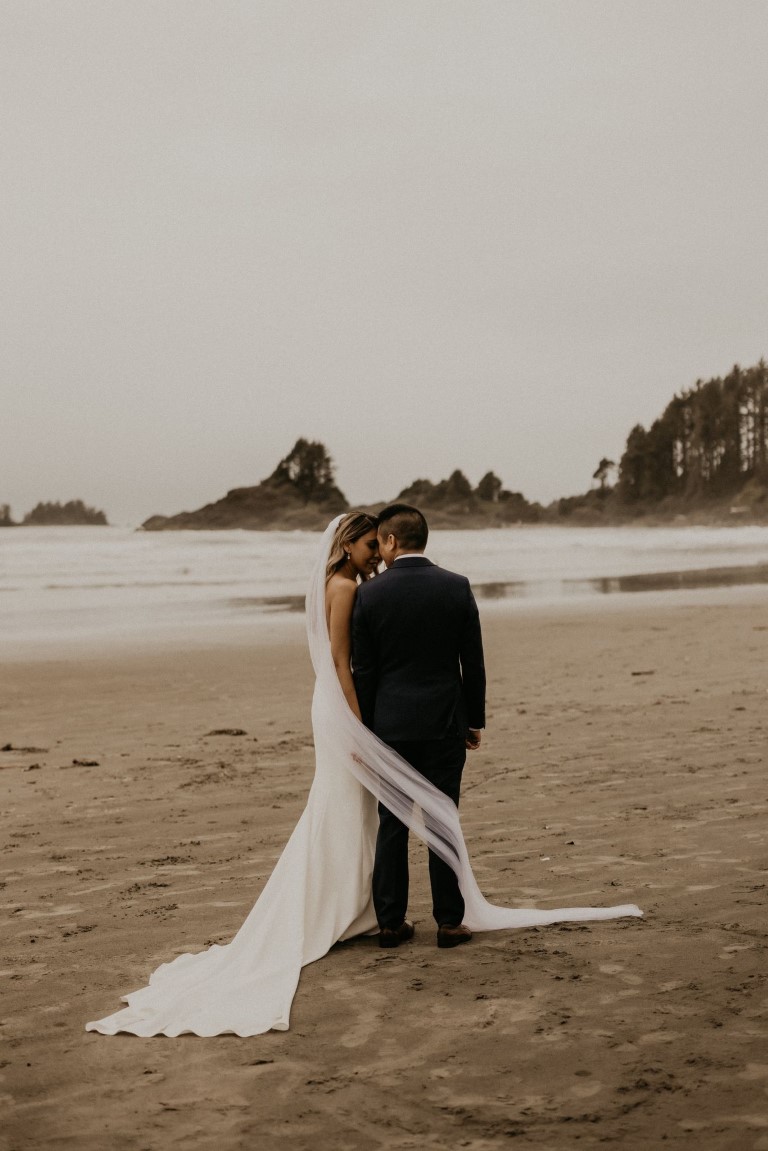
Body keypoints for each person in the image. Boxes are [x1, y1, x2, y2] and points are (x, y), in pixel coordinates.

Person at [86, 512, 641, 1038]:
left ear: (393, 541)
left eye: (380, 541)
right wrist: (473, 720)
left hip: (390, 724)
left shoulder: (368, 594)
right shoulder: (456, 585)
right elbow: (472, 658)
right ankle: (450, 923)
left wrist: (370, 729)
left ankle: (393, 923)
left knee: (395, 821)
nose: (377, 550)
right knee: (445, 814)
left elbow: (365, 669)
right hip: (445, 720)